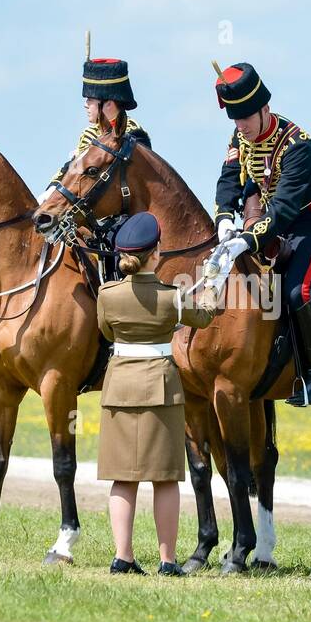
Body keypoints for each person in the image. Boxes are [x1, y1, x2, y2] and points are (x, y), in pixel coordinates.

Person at [96, 212, 217, 575]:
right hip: (160, 390)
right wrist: (210, 284)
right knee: (164, 478)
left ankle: (123, 557)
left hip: (119, 389)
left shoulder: (107, 294)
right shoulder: (171, 298)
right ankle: (167, 561)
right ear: (156, 254)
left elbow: (106, 332)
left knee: (122, 477)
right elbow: (206, 316)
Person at [209, 62, 311, 406]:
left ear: (265, 109)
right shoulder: (239, 137)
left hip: (305, 225)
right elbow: (229, 179)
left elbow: (284, 210)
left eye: (246, 118)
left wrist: (246, 240)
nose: (240, 127)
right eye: (235, 119)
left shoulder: (297, 145)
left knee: (296, 292)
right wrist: (223, 218)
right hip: (260, 227)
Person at [48, 56, 151, 188]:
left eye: (90, 99)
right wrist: (51, 190)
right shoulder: (89, 133)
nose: (85, 105)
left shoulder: (133, 135)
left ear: (108, 104)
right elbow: (72, 170)